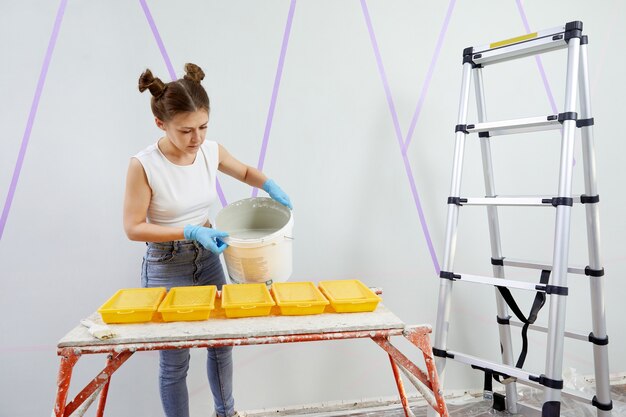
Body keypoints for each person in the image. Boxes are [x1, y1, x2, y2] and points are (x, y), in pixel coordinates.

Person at [123, 63, 292, 417]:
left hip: (208, 257)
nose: (196, 139)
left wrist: (268, 184)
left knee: (220, 346)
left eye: (203, 127)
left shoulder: (209, 150)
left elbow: (244, 171)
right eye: (185, 131)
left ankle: (225, 413)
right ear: (160, 124)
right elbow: (134, 227)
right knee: (175, 360)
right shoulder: (144, 165)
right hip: (166, 265)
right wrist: (188, 230)